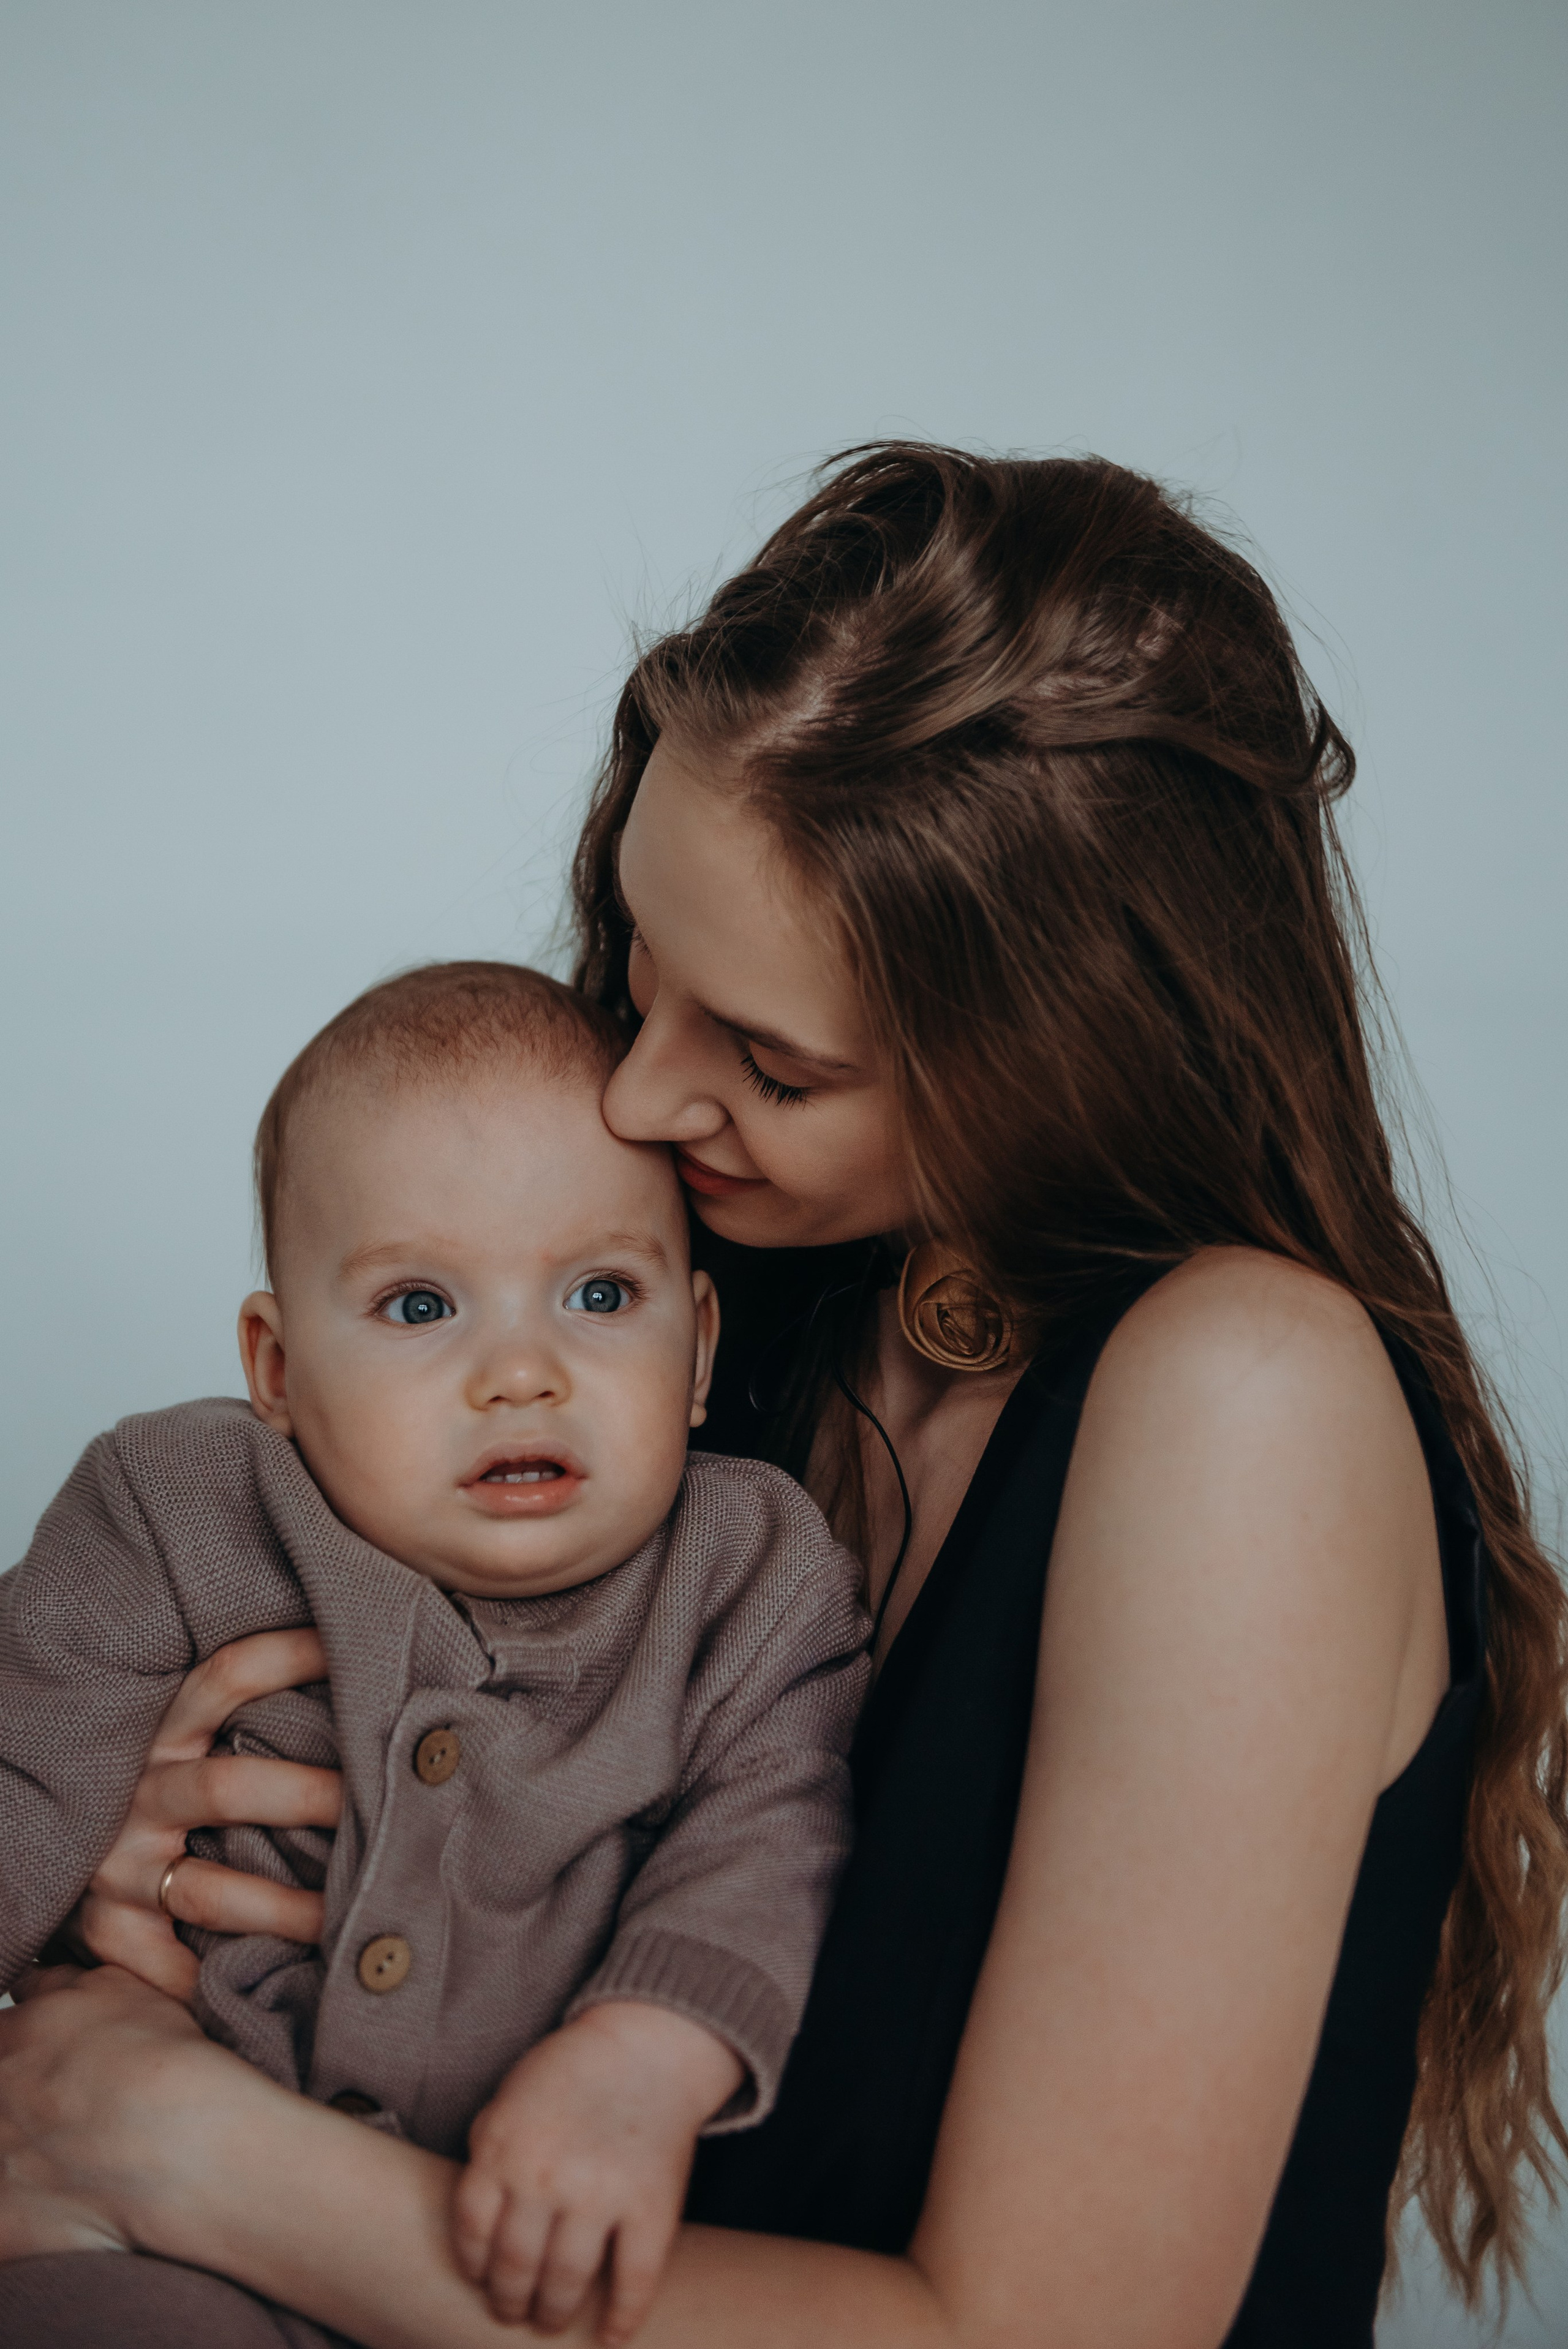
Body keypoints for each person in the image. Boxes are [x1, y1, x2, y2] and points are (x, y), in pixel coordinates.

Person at [2, 442, 1566, 2349]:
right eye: (641, 965)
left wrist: (178, 2145)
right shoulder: (731, 1302)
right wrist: (161, 1836)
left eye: (769, 1059)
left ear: (1056, 1052)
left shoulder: (1247, 1394)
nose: (640, 1095)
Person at [0, 960, 868, 2345]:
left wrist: (640, 2059)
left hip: (512, 2242)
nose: (520, 1372)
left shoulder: (749, 1572)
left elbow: (772, 1839)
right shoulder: (177, 1507)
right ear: (278, 1370)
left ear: (699, 1349)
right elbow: (24, 1762)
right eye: (420, 1307)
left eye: (599, 1294)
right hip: (155, 2228)